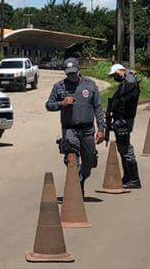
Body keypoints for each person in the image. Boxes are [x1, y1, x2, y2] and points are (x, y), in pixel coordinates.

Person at [45, 58, 105, 195]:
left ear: (79, 70)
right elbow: (49, 105)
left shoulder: (90, 85)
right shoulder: (59, 86)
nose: (71, 76)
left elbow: (98, 108)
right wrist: (61, 104)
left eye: (73, 73)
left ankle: (81, 180)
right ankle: (76, 187)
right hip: (69, 129)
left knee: (89, 162)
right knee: (71, 158)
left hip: (88, 129)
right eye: (68, 73)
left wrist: (101, 129)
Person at [106, 63, 142, 189]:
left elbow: (131, 82)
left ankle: (133, 179)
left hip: (124, 121)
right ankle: (127, 177)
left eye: (116, 74)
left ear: (121, 71)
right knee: (122, 149)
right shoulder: (126, 83)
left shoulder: (130, 82)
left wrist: (128, 73)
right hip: (120, 120)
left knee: (126, 149)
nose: (115, 77)